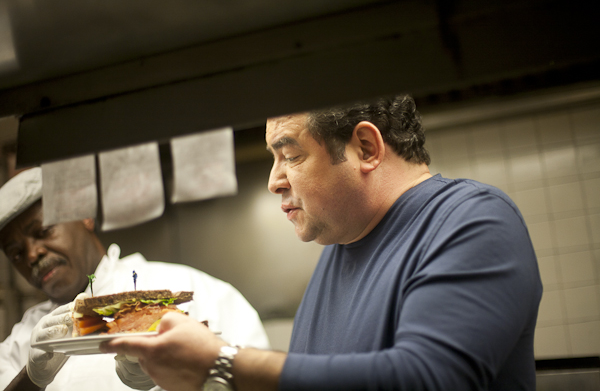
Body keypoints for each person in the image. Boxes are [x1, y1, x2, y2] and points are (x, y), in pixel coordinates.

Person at [102, 95, 543, 391]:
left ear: (366, 148)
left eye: (291, 155)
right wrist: (182, 367)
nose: (274, 180)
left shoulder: (472, 220)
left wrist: (223, 363)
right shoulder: (338, 248)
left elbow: (426, 380)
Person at [0, 167, 270, 391]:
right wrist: (32, 379)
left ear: (83, 216)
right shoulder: (22, 339)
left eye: (43, 231)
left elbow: (259, 380)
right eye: (16, 253)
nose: (32, 255)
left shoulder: (188, 289)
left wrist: (178, 377)